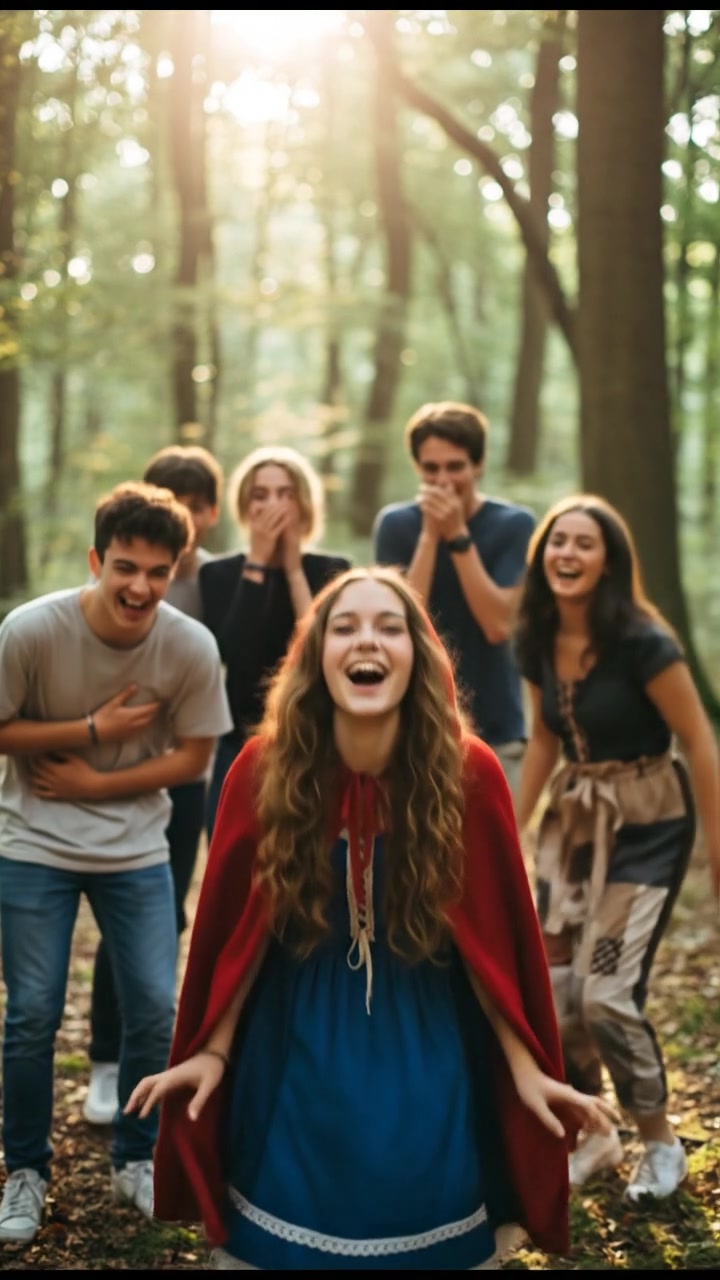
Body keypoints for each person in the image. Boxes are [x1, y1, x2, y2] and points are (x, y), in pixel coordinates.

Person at [126, 565, 616, 1271]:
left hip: (427, 1039)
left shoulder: (469, 774)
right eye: (345, 626)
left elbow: (490, 945)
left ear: (419, 655)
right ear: (316, 655)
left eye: (390, 626)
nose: (368, 641)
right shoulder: (264, 770)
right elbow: (238, 936)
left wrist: (527, 1070)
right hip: (292, 1041)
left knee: (423, 1205)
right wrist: (212, 1050)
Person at [0, 482, 233, 1246]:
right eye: (125, 567)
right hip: (33, 841)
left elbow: (197, 758)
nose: (139, 587)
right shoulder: (31, 631)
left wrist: (97, 777)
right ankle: (25, 1170)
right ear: (97, 560)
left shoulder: (190, 645)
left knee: (156, 1010)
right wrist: (90, 726)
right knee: (33, 1014)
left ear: (177, 569)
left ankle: (138, 1156)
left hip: (135, 850)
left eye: (157, 572)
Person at [513, 493, 720, 1202]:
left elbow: (699, 739)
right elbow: (544, 740)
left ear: (608, 562)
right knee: (560, 995)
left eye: (584, 543)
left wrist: (718, 847)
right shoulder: (537, 637)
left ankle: (660, 1144)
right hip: (572, 829)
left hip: (650, 825)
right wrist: (508, 827)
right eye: (557, 542)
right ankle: (596, 1131)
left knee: (605, 994)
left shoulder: (642, 641)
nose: (567, 554)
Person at [83, 445, 225, 1127]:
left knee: (170, 910)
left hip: (191, 767)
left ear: (211, 514)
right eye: (175, 500)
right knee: (125, 906)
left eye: (199, 505)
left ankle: (164, 1051)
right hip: (124, 764)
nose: (188, 516)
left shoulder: (220, 580)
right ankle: (106, 1058)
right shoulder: (126, 575)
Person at [373, 401, 536, 796]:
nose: (443, 480)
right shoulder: (396, 525)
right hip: (410, 729)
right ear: (418, 468)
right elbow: (400, 623)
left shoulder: (514, 525)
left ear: (477, 465)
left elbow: (498, 625)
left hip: (496, 730)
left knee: (490, 857)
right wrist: (430, 536)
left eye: (455, 466)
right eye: (431, 468)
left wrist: (459, 537)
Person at [199, 444, 350, 837]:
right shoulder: (218, 575)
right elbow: (230, 651)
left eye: (285, 493)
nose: (273, 505)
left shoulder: (333, 570)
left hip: (316, 737)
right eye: (260, 495)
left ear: (304, 503)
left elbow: (321, 648)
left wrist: (294, 570)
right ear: (245, 507)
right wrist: (257, 564)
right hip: (239, 739)